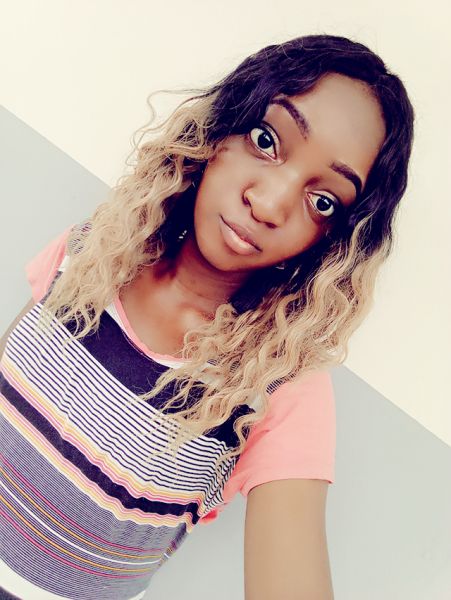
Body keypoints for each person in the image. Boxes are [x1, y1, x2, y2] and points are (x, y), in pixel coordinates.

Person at [0, 33, 414, 600]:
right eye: (266, 140)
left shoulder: (280, 385)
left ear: (335, 242)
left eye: (323, 202)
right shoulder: (95, 246)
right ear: (219, 130)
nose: (268, 204)